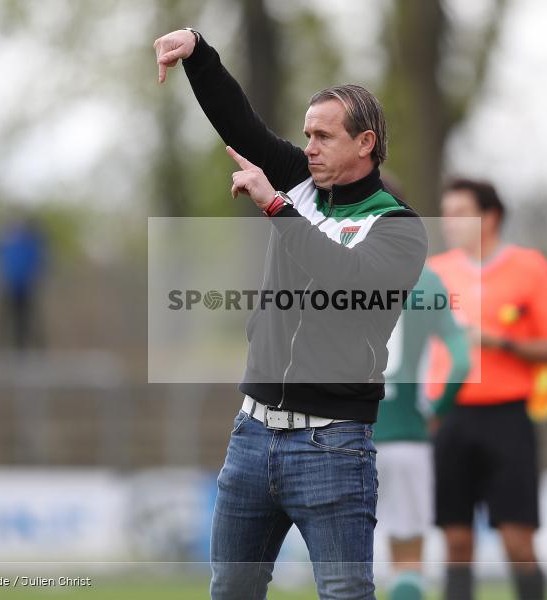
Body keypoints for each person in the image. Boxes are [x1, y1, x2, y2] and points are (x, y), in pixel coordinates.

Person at [154, 28, 428, 600]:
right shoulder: (302, 183)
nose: (309, 148)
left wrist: (276, 207)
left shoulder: (398, 226)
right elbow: (240, 124)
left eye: (324, 136)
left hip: (333, 446)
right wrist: (199, 54)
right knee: (230, 591)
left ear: (365, 143)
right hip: (252, 434)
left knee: (345, 594)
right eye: (306, 135)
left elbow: (345, 281)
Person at [426, 178, 547, 600]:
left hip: (508, 418)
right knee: (455, 545)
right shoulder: (435, 273)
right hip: (450, 419)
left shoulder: (530, 268)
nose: (448, 222)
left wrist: (499, 342)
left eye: (458, 213)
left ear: (490, 217)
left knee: (518, 543)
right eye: (445, 212)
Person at [373, 265, 471, 600]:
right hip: (407, 434)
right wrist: (438, 411)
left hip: (348, 435)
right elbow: (461, 362)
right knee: (408, 560)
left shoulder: (342, 270)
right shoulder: (427, 281)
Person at [0, 216, 46, 350]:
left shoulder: (32, 243)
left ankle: (24, 348)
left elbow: (38, 263)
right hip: (8, 284)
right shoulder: (4, 242)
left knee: (24, 319)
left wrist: (35, 278)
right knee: (4, 319)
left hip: (25, 286)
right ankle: (2, 348)